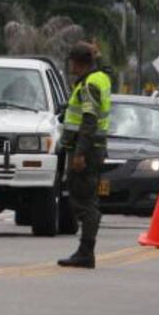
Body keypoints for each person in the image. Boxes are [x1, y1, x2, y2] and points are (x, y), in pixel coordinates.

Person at [57, 42, 111, 269]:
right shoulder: (100, 78)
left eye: (72, 61)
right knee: (86, 199)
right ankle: (85, 250)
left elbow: (89, 121)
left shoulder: (89, 84)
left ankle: (86, 251)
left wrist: (79, 154)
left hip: (86, 150)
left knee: (83, 201)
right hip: (93, 148)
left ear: (78, 62)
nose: (71, 65)